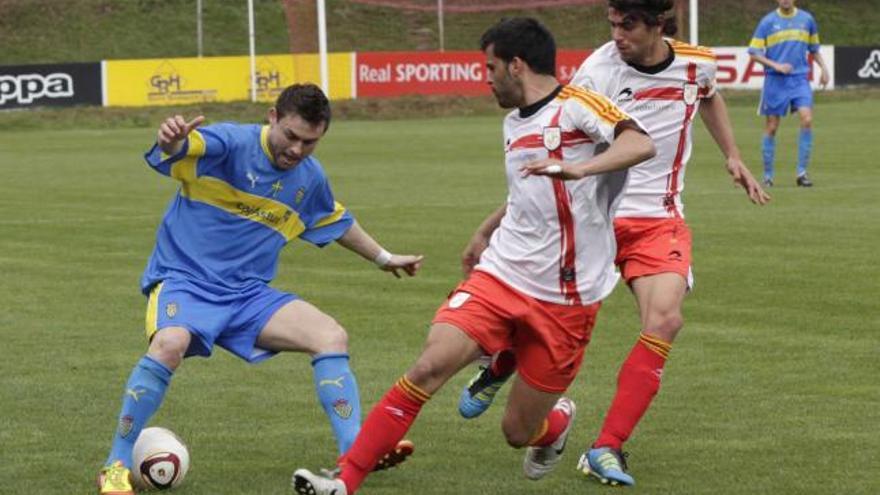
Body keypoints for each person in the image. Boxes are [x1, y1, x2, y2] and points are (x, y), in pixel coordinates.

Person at [291, 17, 655, 495]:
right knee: (429, 366)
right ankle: (344, 481)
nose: (485, 77)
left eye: (490, 67)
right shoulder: (513, 122)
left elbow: (640, 142)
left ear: (516, 65)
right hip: (500, 278)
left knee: (517, 432)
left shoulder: (577, 107)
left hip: (567, 299)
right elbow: (527, 195)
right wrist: (485, 230)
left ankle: (554, 422)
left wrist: (580, 168)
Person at [456, 0, 771, 487]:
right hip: (590, 221)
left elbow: (707, 94)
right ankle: (504, 361)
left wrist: (732, 154)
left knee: (665, 319)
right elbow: (552, 151)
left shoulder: (696, 62)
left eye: (629, 25)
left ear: (658, 25)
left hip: (658, 219)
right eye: (613, 24)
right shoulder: (596, 71)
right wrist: (494, 223)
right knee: (549, 316)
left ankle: (607, 446)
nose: (617, 34)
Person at [96, 84, 422, 495]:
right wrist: (173, 139)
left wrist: (383, 257)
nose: (298, 150)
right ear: (272, 117)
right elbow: (182, 147)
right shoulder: (230, 143)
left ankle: (355, 452)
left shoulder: (308, 178)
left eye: (310, 142)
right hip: (186, 282)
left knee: (330, 335)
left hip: (247, 296)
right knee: (169, 343)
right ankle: (115, 465)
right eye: (291, 136)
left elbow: (335, 220)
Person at [748, 0, 829, 187]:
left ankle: (802, 173)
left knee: (807, 119)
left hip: (800, 79)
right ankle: (768, 177)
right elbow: (753, 52)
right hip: (775, 81)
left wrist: (824, 69)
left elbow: (814, 49)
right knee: (772, 127)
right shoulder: (768, 22)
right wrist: (776, 65)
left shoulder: (807, 19)